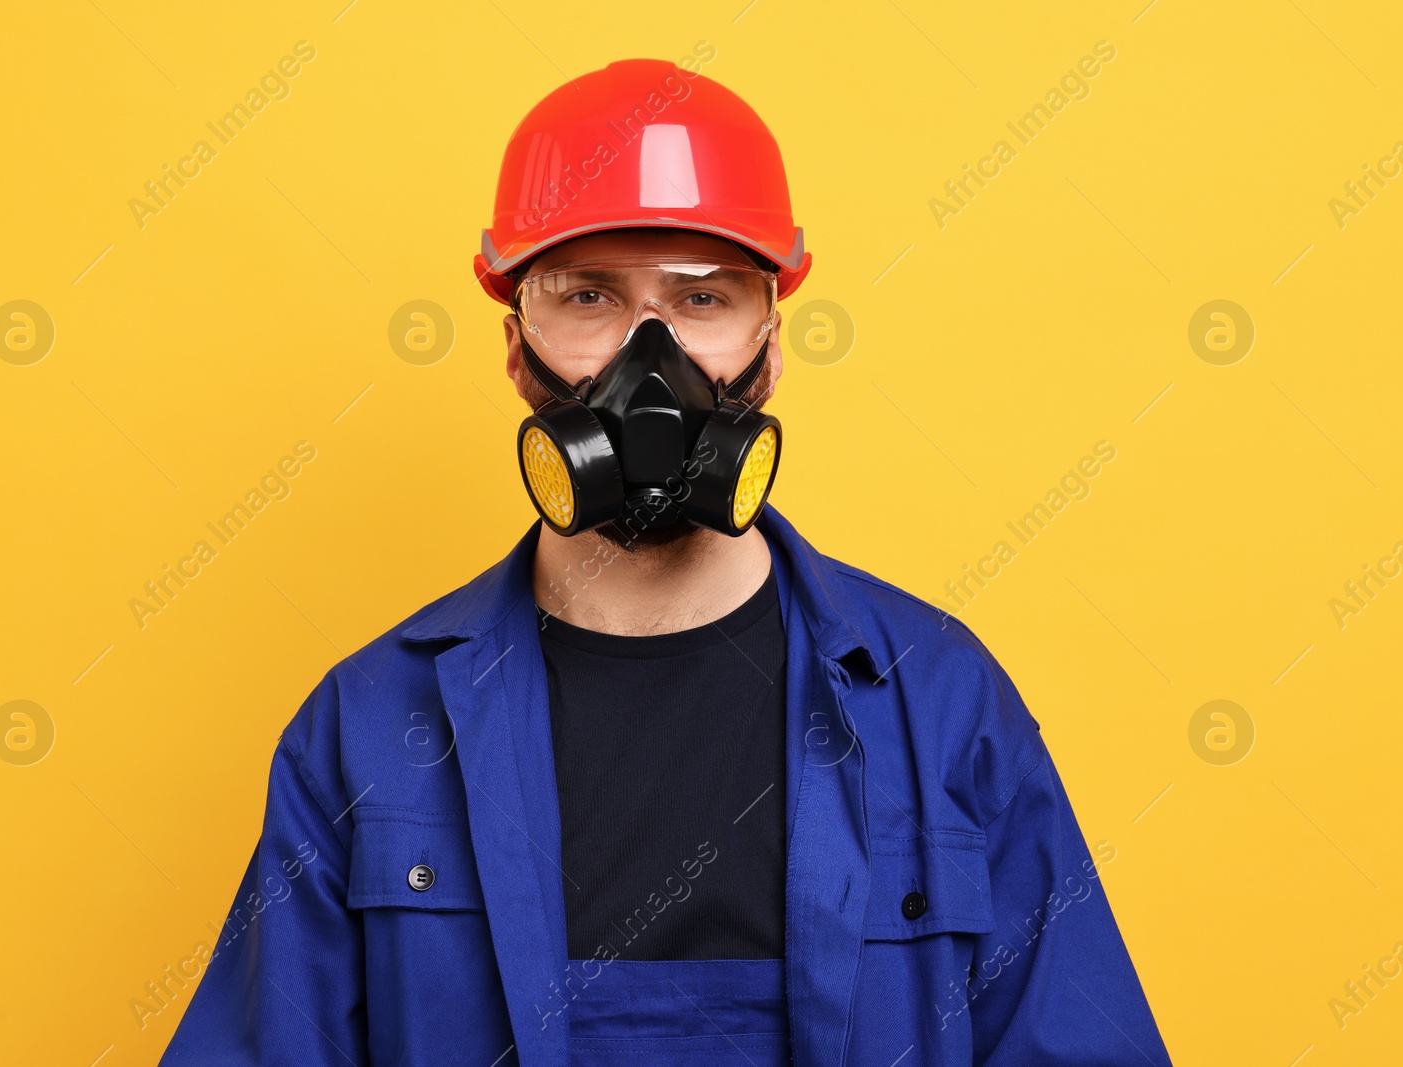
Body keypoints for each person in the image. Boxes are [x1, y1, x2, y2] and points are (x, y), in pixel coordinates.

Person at [160, 58, 1172, 1066]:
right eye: (588, 294)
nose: (651, 360)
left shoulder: (940, 702)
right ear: (517, 348)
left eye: (703, 299)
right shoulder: (367, 725)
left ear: (769, 346)